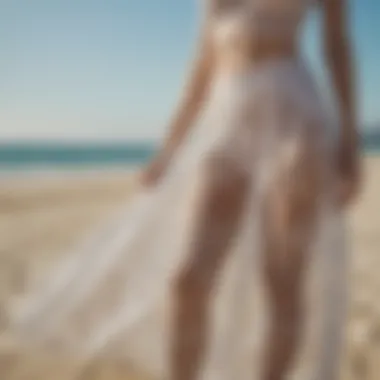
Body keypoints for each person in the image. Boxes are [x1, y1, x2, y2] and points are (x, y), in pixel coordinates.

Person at [6, 0, 360, 379]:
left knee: (282, 281)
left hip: (293, 121)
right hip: (226, 119)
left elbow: (336, 48)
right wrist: (169, 150)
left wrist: (349, 143)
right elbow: (202, 70)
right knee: (188, 278)